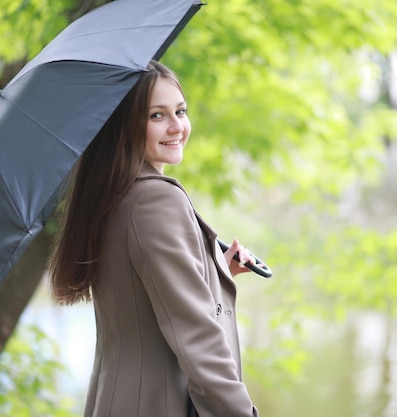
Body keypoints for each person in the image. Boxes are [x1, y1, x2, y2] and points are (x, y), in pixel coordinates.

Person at [48, 60, 260, 417]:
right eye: (157, 116)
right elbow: (198, 339)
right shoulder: (155, 201)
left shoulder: (112, 194)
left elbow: (145, 302)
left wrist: (218, 272)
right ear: (125, 125)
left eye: (180, 111)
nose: (177, 126)